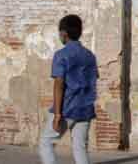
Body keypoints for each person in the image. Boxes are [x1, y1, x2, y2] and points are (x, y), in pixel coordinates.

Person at [39, 14, 98, 164]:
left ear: (64, 33)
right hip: (85, 107)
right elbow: (93, 80)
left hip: (67, 107)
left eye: (60, 33)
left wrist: (58, 114)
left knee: (46, 143)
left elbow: (59, 84)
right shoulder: (90, 56)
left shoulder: (61, 55)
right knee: (80, 147)